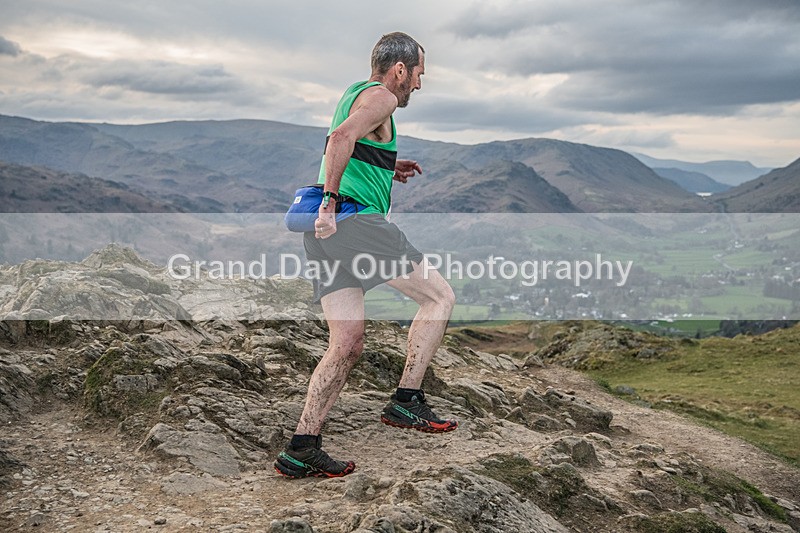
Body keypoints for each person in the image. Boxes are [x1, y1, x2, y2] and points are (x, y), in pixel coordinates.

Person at [274, 32, 457, 479]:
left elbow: (348, 140)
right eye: (417, 75)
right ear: (400, 69)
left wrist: (387, 166)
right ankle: (406, 401)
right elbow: (339, 139)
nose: (418, 85)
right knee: (439, 298)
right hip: (355, 226)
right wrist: (331, 203)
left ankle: (303, 446)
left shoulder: (354, 93)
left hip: (327, 237)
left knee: (346, 344)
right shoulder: (383, 99)